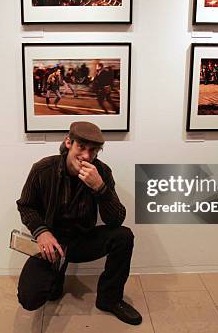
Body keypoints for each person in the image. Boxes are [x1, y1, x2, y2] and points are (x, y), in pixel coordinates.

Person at [16, 121, 142, 326]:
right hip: (52, 243)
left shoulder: (101, 172)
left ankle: (110, 299)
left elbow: (116, 219)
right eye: (81, 147)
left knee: (123, 236)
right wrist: (41, 232)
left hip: (83, 239)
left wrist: (100, 188)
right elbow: (26, 206)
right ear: (68, 143)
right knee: (30, 299)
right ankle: (56, 275)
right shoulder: (43, 169)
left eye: (93, 150)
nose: (86, 156)